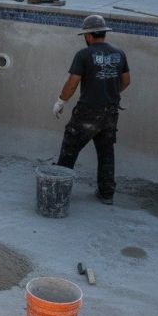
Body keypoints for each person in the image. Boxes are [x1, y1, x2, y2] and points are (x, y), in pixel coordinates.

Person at [53, 15, 130, 205]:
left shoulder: (84, 55)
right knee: (106, 152)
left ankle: (59, 192)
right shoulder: (119, 53)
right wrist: (108, 91)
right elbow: (126, 81)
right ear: (103, 32)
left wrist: (60, 101)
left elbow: (72, 83)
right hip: (110, 113)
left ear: (88, 36)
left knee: (69, 150)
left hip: (87, 112)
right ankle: (106, 194)